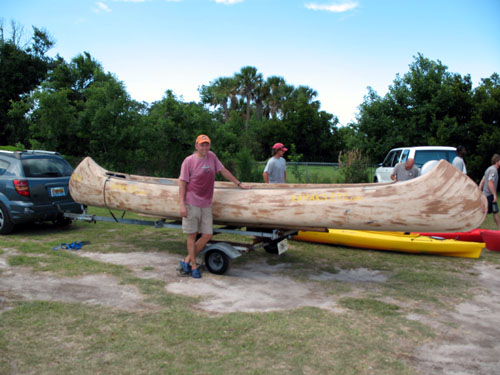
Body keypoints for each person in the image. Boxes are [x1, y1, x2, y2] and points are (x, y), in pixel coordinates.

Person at [178, 134, 248, 278]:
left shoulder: (212, 157)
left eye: (207, 144)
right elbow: (182, 183)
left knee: (207, 234)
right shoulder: (189, 161)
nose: (204, 147)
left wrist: (239, 183)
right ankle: (193, 266)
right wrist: (181, 205)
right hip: (191, 202)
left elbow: (223, 171)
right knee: (192, 235)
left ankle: (186, 261)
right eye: (202, 144)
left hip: (206, 203)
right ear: (196, 146)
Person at [479, 154, 500, 229]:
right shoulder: (493, 170)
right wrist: (494, 194)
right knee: (483, 212)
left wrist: (479, 191)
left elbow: (482, 181)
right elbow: (490, 182)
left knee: (495, 212)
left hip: (486, 194)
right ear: (497, 161)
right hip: (489, 195)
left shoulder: (488, 169)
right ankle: (473, 227)